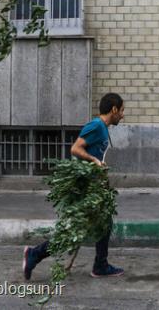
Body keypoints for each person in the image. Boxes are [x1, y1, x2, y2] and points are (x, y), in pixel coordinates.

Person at [22, 92, 125, 279]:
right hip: (85, 188)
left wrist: (100, 171)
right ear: (114, 109)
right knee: (73, 232)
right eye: (122, 111)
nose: (123, 115)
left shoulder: (102, 128)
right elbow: (75, 148)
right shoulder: (96, 126)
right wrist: (94, 160)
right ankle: (34, 254)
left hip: (93, 186)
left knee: (104, 223)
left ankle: (100, 265)